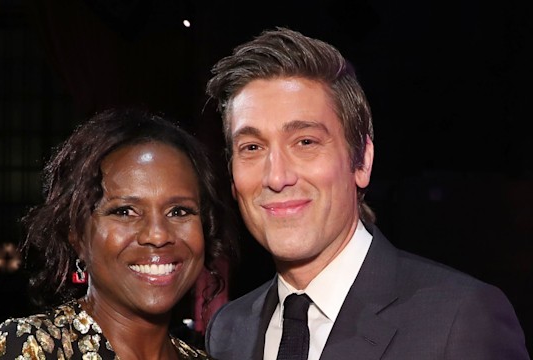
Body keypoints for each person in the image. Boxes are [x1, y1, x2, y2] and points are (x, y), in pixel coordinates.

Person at [204, 27, 529, 359]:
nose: (276, 176)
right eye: (252, 147)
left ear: (361, 161)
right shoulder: (229, 331)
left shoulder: (460, 319)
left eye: (305, 142)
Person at [0, 109, 225, 359]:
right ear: (77, 235)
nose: (158, 235)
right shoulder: (33, 349)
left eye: (179, 211)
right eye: (126, 211)